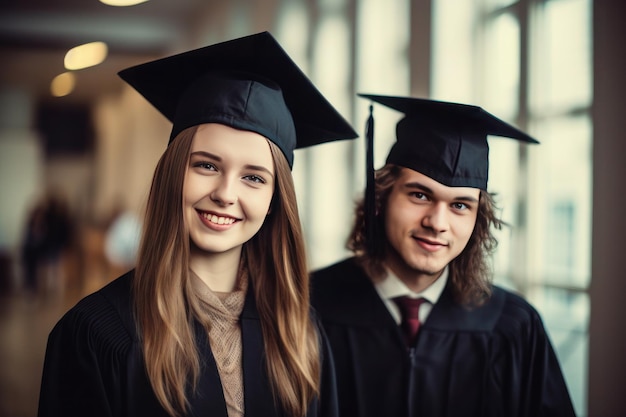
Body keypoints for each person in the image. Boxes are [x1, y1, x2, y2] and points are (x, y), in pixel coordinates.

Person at [38, 32, 357, 417]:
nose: (225, 193)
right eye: (207, 165)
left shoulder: (299, 332)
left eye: (254, 177)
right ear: (174, 173)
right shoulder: (93, 333)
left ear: (275, 201)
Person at [311, 94, 576, 417]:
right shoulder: (308, 305)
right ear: (380, 198)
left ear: (479, 219)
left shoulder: (514, 327)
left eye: (460, 205)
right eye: (420, 195)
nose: (437, 223)